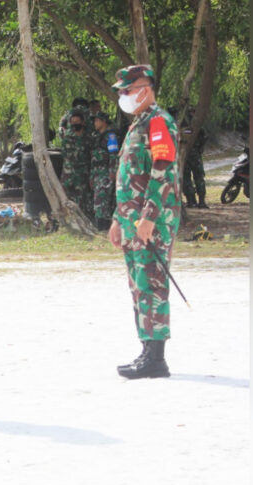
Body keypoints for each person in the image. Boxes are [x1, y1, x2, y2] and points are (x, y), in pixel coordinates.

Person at [108, 64, 181, 379]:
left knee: (152, 283)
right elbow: (129, 179)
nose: (123, 96)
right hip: (131, 221)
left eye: (127, 90)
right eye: (121, 91)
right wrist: (116, 219)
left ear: (145, 88)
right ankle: (146, 351)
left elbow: (162, 171)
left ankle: (157, 359)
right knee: (139, 285)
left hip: (152, 221)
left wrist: (149, 217)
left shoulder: (159, 123)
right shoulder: (139, 123)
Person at [61, 110, 93, 220]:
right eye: (72, 122)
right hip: (68, 174)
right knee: (67, 198)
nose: (75, 124)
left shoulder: (88, 138)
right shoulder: (68, 138)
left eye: (77, 121)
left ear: (83, 122)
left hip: (83, 174)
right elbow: (65, 154)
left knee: (83, 198)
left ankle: (85, 220)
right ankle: (69, 219)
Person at [90, 111, 120, 231]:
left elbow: (113, 155)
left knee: (103, 201)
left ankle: (103, 227)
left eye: (97, 120)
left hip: (105, 173)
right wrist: (92, 176)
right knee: (98, 200)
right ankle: (101, 226)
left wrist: (112, 171)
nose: (95, 123)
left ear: (104, 121)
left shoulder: (110, 136)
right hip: (97, 173)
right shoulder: (97, 137)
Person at [180, 109, 209, 208]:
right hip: (194, 155)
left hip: (185, 155)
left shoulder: (181, 125)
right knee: (197, 178)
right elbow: (205, 136)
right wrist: (200, 148)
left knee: (188, 179)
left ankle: (192, 201)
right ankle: (200, 202)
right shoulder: (196, 125)